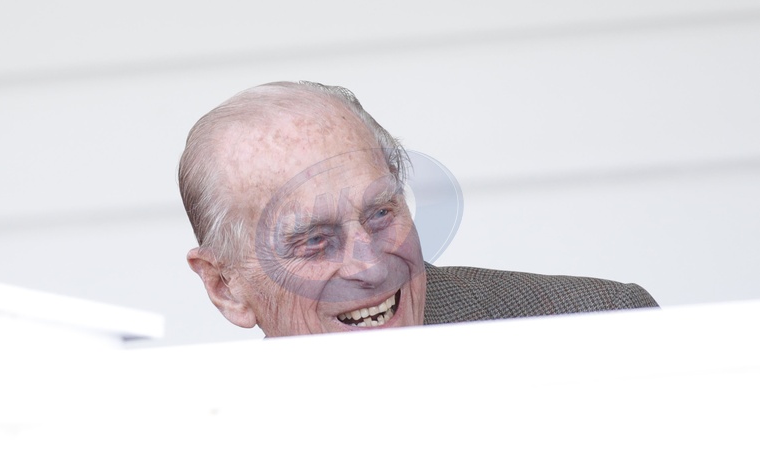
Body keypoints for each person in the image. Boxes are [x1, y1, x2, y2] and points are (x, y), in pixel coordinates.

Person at [178, 81, 657, 337]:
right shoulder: (197, 422)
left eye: (380, 215)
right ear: (225, 287)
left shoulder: (599, 328)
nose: (371, 267)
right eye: (315, 240)